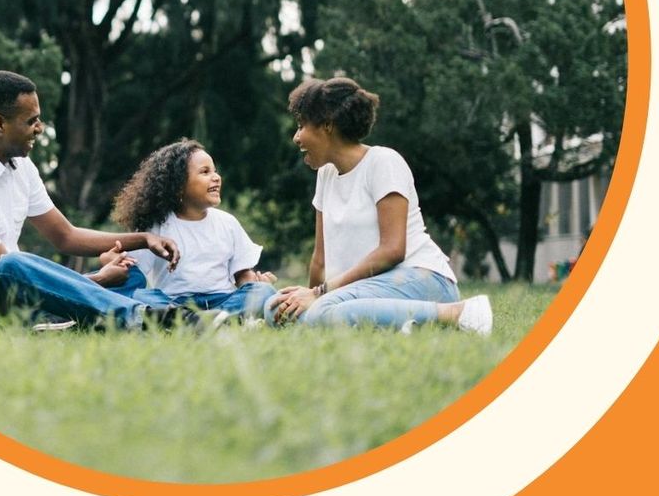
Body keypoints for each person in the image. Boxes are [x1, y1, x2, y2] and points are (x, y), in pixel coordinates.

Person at [0, 71, 186, 329]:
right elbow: (6, 275)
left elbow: (65, 236)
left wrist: (143, 239)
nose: (39, 128)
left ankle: (180, 313)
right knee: (11, 264)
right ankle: (137, 316)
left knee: (129, 276)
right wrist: (98, 279)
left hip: (10, 297)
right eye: (31, 121)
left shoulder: (19, 165)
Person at [268, 77, 493, 334]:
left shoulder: (383, 162)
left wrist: (321, 294)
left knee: (325, 311)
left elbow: (392, 250)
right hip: (365, 289)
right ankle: (397, 323)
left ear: (327, 125)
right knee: (276, 309)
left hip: (420, 278)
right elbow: (320, 259)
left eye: (301, 126)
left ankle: (456, 312)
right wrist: (307, 298)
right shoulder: (326, 175)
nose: (296, 137)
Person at [110, 139, 278, 322]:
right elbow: (134, 273)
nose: (216, 177)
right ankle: (204, 320)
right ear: (178, 186)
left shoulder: (228, 223)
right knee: (140, 297)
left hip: (222, 299)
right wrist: (114, 262)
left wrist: (252, 286)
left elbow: (242, 274)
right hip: (174, 304)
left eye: (215, 171)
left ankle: (208, 320)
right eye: (205, 172)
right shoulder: (156, 227)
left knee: (264, 291)